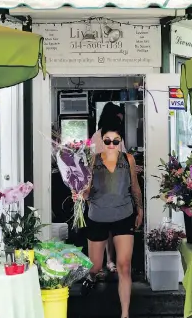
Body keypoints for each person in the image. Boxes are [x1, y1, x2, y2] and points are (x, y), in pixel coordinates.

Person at [78, 119, 143, 318]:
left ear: (121, 141)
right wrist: (80, 194)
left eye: (116, 141)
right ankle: (90, 277)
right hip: (98, 215)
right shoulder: (93, 160)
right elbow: (87, 191)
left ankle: (125, 314)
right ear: (101, 141)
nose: (112, 145)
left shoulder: (128, 159)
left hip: (123, 215)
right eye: (108, 141)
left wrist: (139, 209)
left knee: (124, 266)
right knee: (96, 266)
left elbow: (134, 186)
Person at [90, 102, 126, 275]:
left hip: (100, 190)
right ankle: (109, 261)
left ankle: (101, 264)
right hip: (110, 188)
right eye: (119, 119)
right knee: (110, 227)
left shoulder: (96, 136)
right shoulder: (108, 137)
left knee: (102, 228)